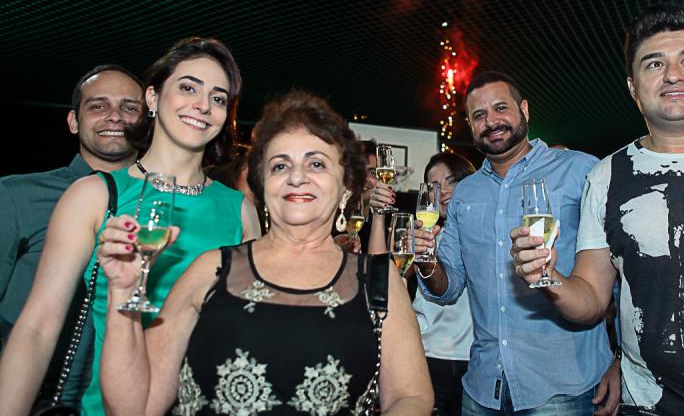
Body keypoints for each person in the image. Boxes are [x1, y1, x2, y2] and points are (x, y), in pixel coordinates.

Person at [510, 4, 684, 414]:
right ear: (633, 87)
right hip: (649, 403)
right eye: (654, 64)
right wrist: (546, 277)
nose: (673, 74)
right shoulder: (606, 176)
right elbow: (591, 299)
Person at [98, 90, 434, 414]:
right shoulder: (210, 270)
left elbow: (412, 397)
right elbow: (134, 407)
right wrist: (123, 292)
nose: (297, 177)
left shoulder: (378, 282)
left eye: (316, 164)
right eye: (280, 166)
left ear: (346, 185)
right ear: (262, 185)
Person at [0, 37, 261, 415]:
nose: (203, 105)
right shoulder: (93, 195)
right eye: (188, 88)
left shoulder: (240, 211)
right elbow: (37, 328)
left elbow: (250, 328)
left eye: (218, 98)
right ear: (152, 98)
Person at [415, 71, 620, 415]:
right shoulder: (466, 193)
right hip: (483, 389)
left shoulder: (580, 170)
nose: (491, 122)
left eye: (500, 108)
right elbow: (447, 287)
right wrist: (425, 258)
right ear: (470, 126)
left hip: (565, 390)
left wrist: (621, 360)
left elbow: (624, 277)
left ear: (524, 109)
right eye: (479, 115)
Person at [0, 64, 143, 407]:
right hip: (35, 399)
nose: (114, 116)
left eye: (129, 107)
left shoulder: (162, 211)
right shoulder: (18, 196)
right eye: (98, 106)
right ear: (73, 121)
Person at [414, 152, 476, 415]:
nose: (444, 192)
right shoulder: (424, 241)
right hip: (430, 356)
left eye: (452, 181)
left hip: (477, 362)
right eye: (435, 186)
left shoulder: (489, 238)